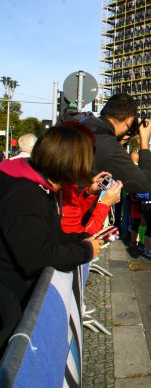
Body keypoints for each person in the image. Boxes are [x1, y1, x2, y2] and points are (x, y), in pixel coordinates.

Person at [0, 125, 105, 350]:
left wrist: (81, 239)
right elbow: (36, 254)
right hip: (9, 300)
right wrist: (86, 251)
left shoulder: (34, 184)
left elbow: (51, 235)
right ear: (72, 163)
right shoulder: (27, 194)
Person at [83, 93, 151, 193]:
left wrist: (124, 137)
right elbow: (145, 184)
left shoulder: (87, 125)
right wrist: (145, 142)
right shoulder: (109, 146)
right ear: (129, 119)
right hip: (79, 205)